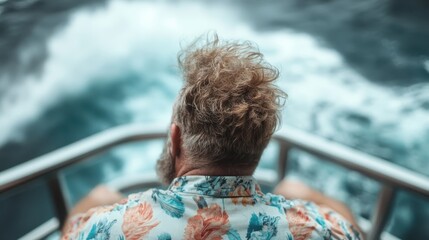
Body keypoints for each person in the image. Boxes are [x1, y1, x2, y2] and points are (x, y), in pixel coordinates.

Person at [62, 35, 362, 240]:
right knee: (296, 187)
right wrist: (307, 197)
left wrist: (91, 205)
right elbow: (350, 227)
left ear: (175, 138)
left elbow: (72, 230)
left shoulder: (108, 228)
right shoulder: (318, 229)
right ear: (260, 145)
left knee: (101, 196)